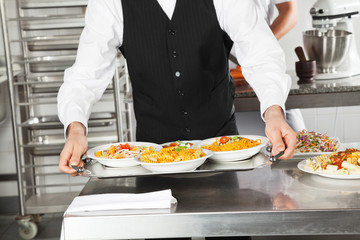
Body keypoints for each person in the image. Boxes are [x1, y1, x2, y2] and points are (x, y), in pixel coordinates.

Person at [57, 0, 296, 177]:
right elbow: (85, 75)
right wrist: (75, 128)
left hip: (222, 150)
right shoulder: (109, 4)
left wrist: (274, 112)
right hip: (153, 156)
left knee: (227, 228)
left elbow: (262, 55)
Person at [232, 0, 307, 134]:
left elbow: (290, 11)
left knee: (296, 142)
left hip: (262, 68)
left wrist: (259, 47)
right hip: (214, 80)